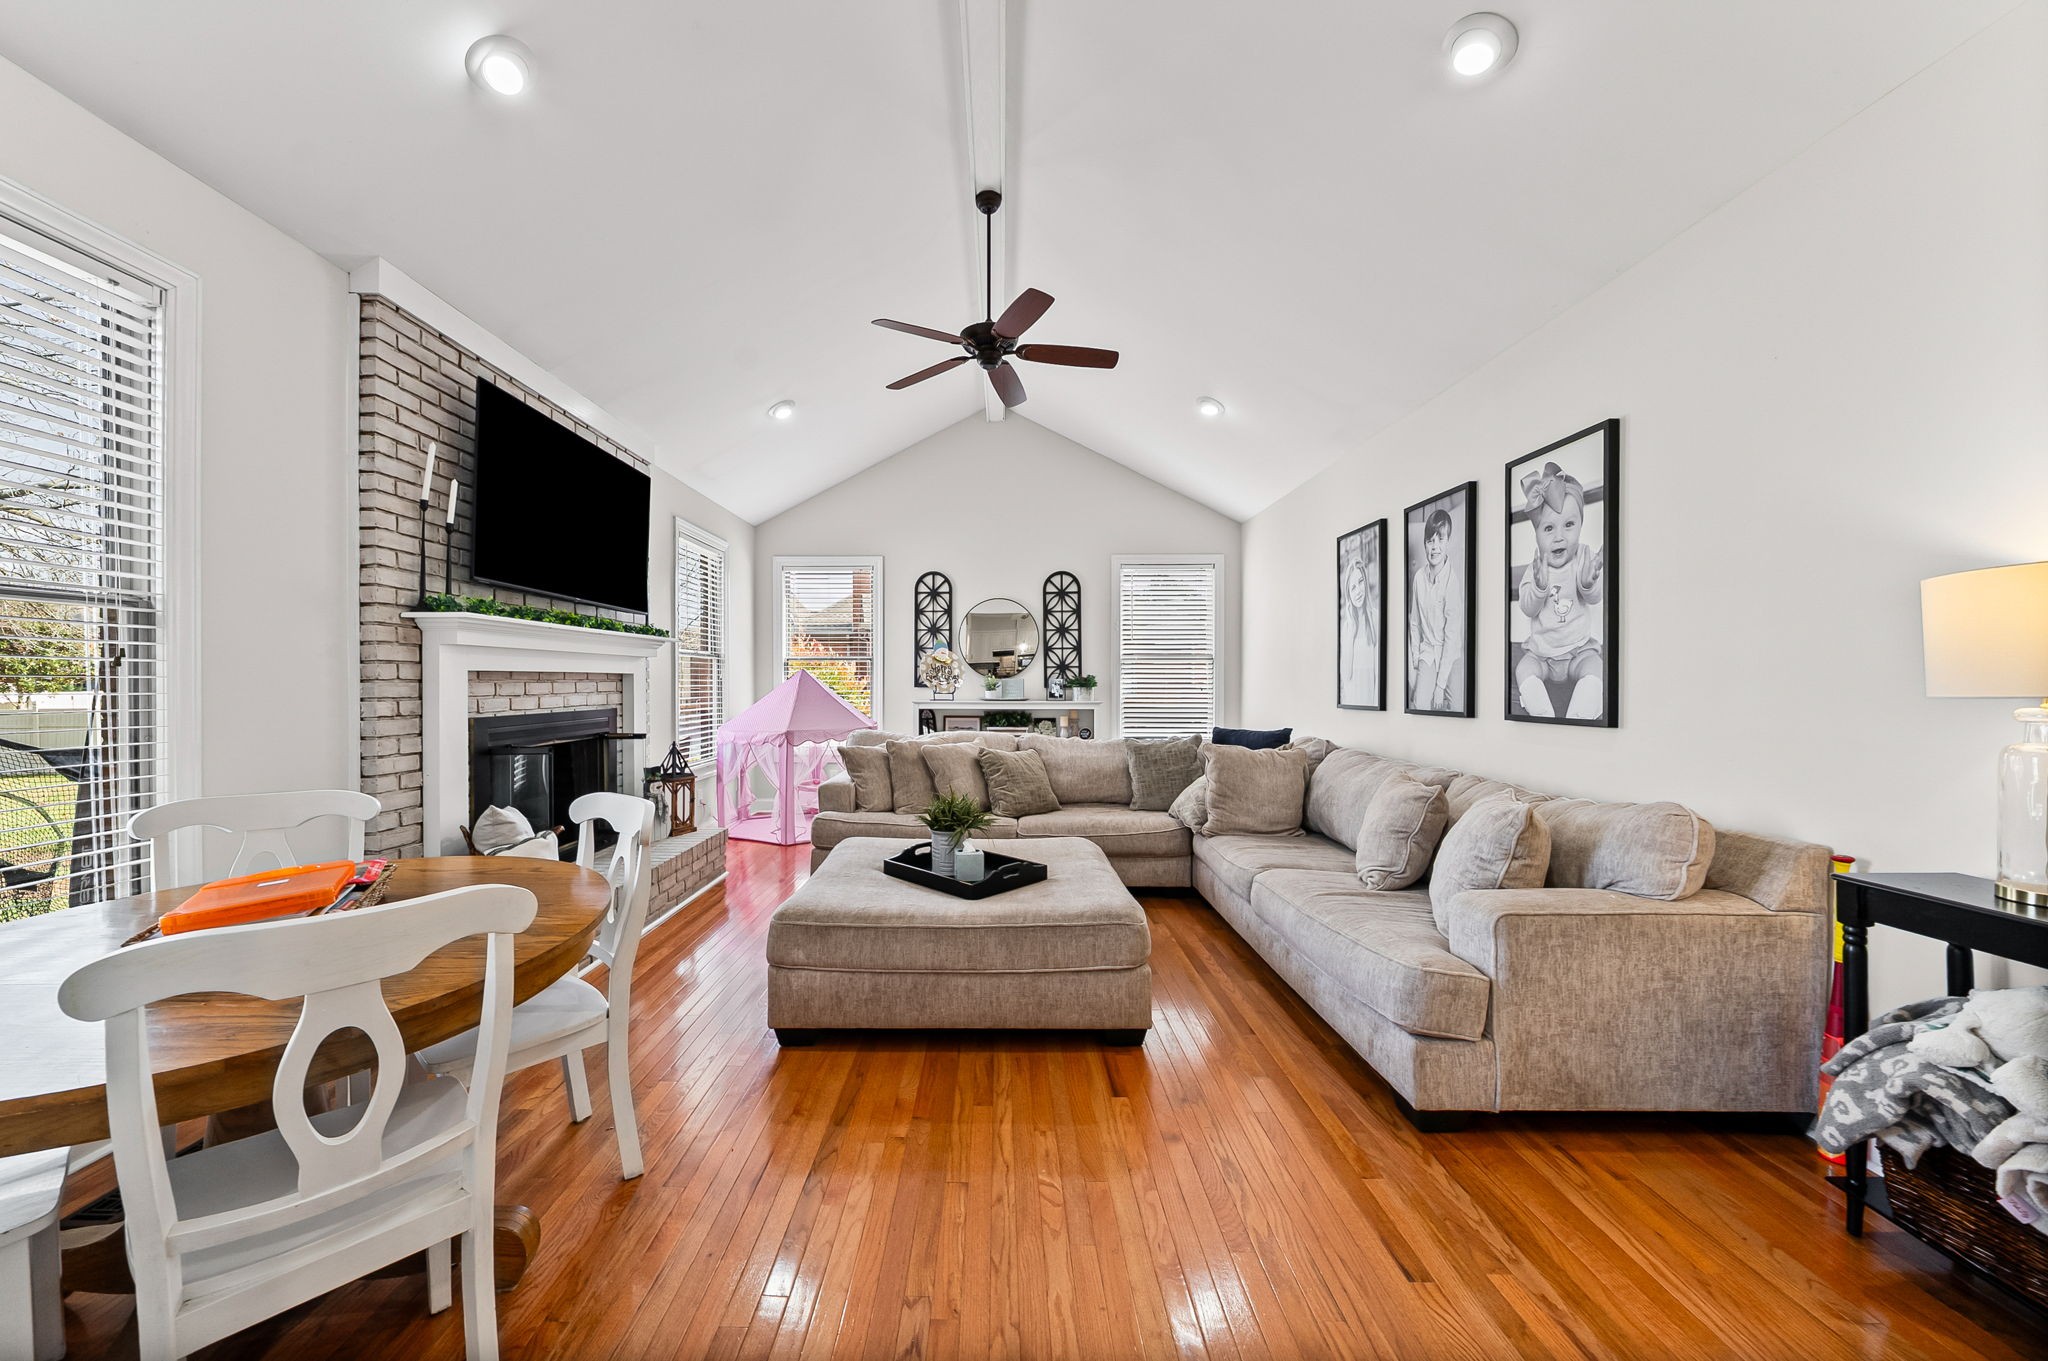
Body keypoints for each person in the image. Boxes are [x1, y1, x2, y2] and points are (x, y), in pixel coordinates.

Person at [1514, 461, 1605, 719]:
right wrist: (1540, 587)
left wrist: (1589, 582)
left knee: (1596, 668)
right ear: (1537, 535)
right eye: (1548, 528)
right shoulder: (1537, 567)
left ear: (1580, 526)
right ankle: (1542, 713)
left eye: (1569, 525)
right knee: (1523, 669)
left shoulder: (1583, 557)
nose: (1559, 537)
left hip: (1579, 651)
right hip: (1542, 656)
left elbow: (1595, 597)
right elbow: (1527, 607)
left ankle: (1580, 713)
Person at [1408, 507, 1462, 710]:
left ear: (1448, 542)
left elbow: (1451, 638)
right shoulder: (1418, 579)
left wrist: (1440, 686)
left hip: (1450, 654)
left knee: (1458, 707)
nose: (1435, 547)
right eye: (1430, 541)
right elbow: (1415, 623)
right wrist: (1416, 664)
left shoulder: (1452, 582)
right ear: (1424, 543)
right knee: (1420, 703)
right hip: (1428, 652)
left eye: (1441, 540)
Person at [1339, 530, 1380, 706]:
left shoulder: (1375, 617)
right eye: (1353, 587)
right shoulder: (1347, 627)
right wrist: (1351, 633)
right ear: (1348, 593)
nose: (1358, 591)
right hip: (1353, 700)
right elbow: (1346, 675)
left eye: (1360, 582)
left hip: (1371, 701)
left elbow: (1378, 674)